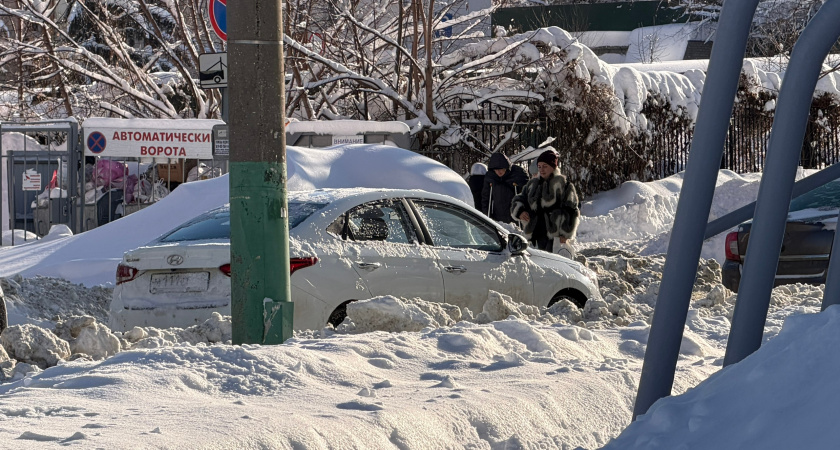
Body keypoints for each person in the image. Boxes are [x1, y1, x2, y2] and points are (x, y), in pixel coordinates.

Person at [511, 149, 580, 253]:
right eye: (539, 166)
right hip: (535, 234)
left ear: (553, 167)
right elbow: (519, 199)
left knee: (554, 264)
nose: (541, 169)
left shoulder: (564, 185)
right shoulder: (532, 185)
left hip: (555, 236)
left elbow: (572, 209)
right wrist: (520, 212)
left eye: (545, 166)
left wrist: (565, 233)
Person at [481, 152, 529, 224]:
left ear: (506, 167)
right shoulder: (490, 177)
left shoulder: (518, 174)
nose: (498, 171)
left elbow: (526, 196)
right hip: (498, 218)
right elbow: (486, 198)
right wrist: (487, 217)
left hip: (516, 217)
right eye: (496, 169)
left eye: (501, 169)